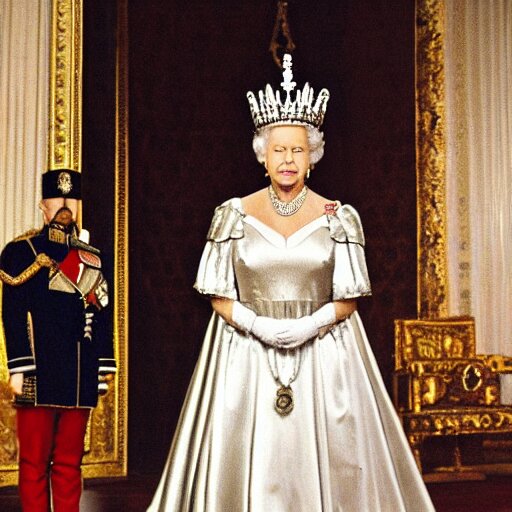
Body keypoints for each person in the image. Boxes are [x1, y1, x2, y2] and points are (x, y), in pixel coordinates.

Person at [148, 54, 435, 511]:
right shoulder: (234, 213)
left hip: (325, 354)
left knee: (336, 458)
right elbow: (218, 291)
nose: (288, 159)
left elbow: (349, 297)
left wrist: (308, 326)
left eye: (297, 150)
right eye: (278, 150)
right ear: (262, 154)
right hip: (244, 353)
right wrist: (257, 325)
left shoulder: (338, 216)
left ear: (313, 156)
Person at [0, 169, 116, 512]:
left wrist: (102, 366)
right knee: (34, 464)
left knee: (69, 464)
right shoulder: (21, 252)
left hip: (80, 372)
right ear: (43, 205)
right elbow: (13, 313)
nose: (65, 205)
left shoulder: (93, 256)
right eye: (57, 199)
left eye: (71, 199)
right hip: (38, 371)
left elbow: (103, 315)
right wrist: (19, 367)